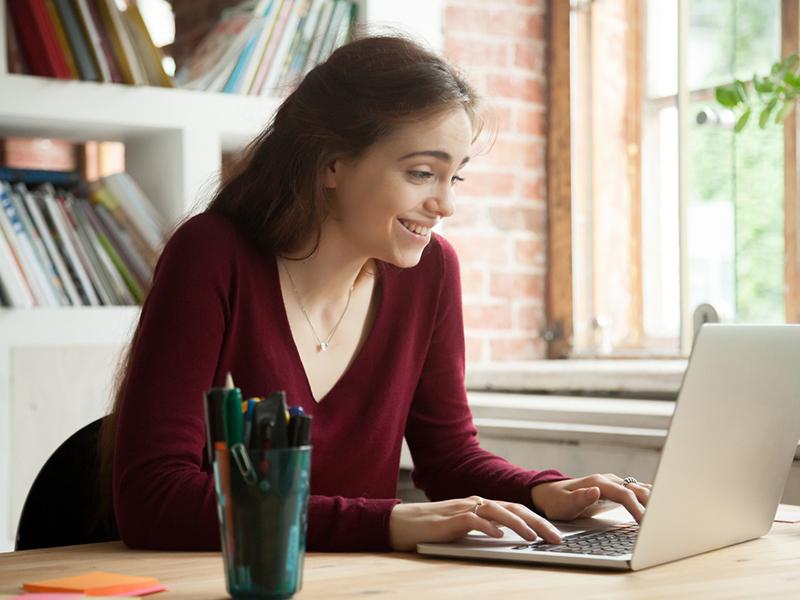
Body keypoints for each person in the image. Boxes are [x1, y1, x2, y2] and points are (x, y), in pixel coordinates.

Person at [98, 34, 651, 552]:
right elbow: (154, 499)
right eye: (420, 173)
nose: (445, 204)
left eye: (454, 177)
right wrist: (385, 521)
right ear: (332, 164)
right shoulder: (212, 256)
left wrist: (543, 491)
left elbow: (450, 459)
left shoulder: (430, 273)